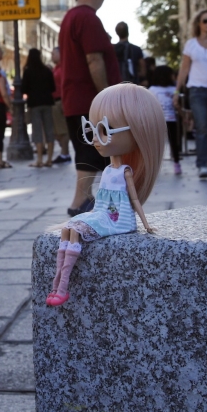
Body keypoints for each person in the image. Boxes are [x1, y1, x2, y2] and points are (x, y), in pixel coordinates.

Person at [45, 84, 164, 306]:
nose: (96, 139)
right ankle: (57, 287)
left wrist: (145, 224)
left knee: (76, 230)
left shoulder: (125, 172)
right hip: (104, 214)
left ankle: (62, 288)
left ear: (139, 132)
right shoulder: (109, 170)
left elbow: (134, 200)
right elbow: (102, 202)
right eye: (91, 129)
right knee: (68, 228)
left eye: (105, 130)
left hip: (119, 221)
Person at [58, 0, 121, 216]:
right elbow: (94, 59)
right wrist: (105, 96)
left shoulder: (70, 17)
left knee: (90, 151)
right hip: (90, 100)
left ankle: (87, 201)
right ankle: (80, 203)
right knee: (98, 150)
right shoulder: (88, 18)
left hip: (76, 98)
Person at [173, 9, 207, 179]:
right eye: (205, 21)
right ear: (198, 23)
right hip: (197, 90)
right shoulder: (191, 44)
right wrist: (177, 91)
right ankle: (203, 164)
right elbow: (184, 69)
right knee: (202, 127)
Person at [21, 48, 56, 168]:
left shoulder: (28, 71)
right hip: (47, 102)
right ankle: (50, 159)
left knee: (37, 131)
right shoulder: (47, 70)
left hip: (34, 104)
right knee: (49, 130)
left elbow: (23, 89)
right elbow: (53, 88)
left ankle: (39, 160)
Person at [149, 65, 182, 175]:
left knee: (174, 143)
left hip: (171, 119)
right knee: (156, 144)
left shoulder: (174, 90)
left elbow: (179, 106)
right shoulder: (152, 90)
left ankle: (177, 162)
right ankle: (154, 165)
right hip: (156, 120)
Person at [49, 46, 72, 164]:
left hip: (60, 101)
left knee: (62, 130)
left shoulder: (63, 68)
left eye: (53, 54)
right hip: (54, 101)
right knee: (57, 131)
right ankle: (64, 152)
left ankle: (65, 153)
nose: (51, 56)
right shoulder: (56, 68)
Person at [113, 22, 146, 86]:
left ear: (116, 33)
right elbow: (143, 70)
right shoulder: (136, 49)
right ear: (128, 32)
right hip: (133, 83)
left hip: (116, 85)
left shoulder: (112, 49)